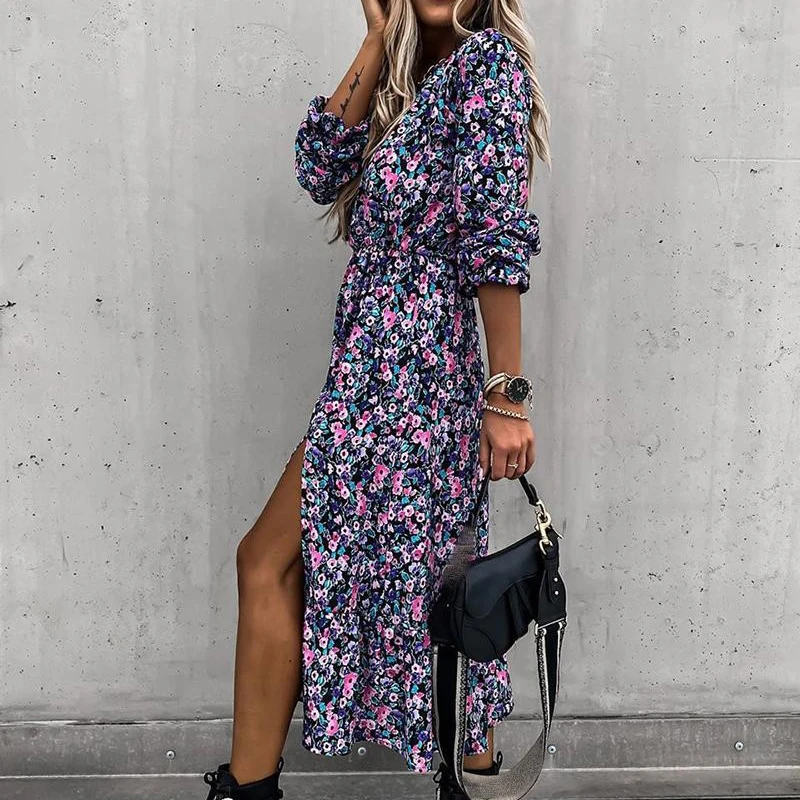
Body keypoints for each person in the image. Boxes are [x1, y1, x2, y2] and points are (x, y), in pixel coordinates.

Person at [202, 0, 550, 798]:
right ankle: (472, 774)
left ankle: (251, 789)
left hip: (414, 377)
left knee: (278, 560)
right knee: (426, 577)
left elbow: (495, 234)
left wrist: (506, 396)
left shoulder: (487, 68)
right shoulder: (408, 77)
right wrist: (375, 37)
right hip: (367, 371)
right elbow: (318, 168)